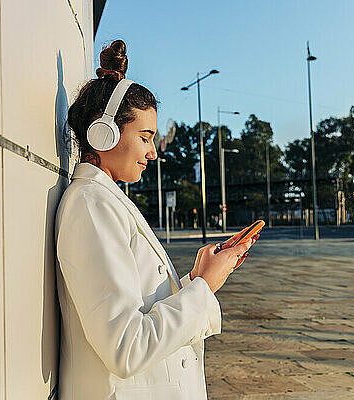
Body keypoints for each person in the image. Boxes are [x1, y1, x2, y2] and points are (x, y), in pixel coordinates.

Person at [55, 40, 254, 400]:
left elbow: (140, 301)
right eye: (145, 137)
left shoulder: (106, 200)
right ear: (104, 133)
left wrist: (194, 278)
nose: (152, 151)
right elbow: (126, 347)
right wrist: (203, 288)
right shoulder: (91, 205)